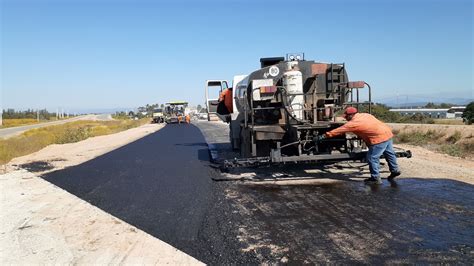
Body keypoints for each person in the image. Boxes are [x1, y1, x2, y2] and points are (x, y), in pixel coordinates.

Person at [320, 107, 401, 184]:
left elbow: (338, 131)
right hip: (387, 134)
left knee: (372, 158)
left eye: (346, 116)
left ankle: (375, 178)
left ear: (351, 115)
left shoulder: (353, 123)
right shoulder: (366, 115)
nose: (345, 118)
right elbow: (368, 126)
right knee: (389, 154)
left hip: (378, 139)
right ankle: (395, 171)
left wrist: (324, 136)